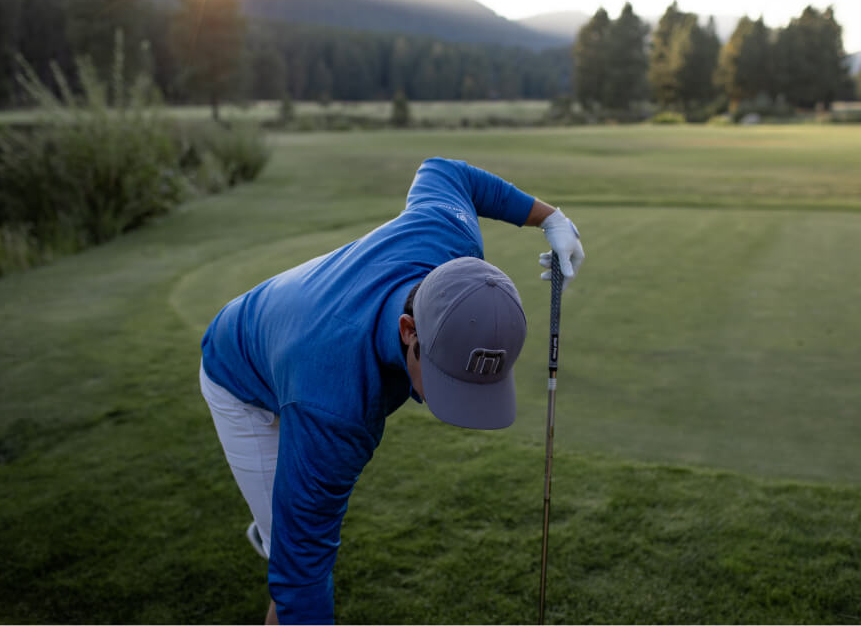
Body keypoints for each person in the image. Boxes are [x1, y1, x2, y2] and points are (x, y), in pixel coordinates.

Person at [199, 157, 584, 624]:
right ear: (409, 331)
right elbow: (300, 578)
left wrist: (551, 218)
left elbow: (445, 171)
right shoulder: (336, 407)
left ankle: (278, 513)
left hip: (301, 324)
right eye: (446, 376)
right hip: (240, 370)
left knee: (298, 524)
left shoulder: (449, 239)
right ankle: (273, 524)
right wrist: (293, 545)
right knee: (294, 549)